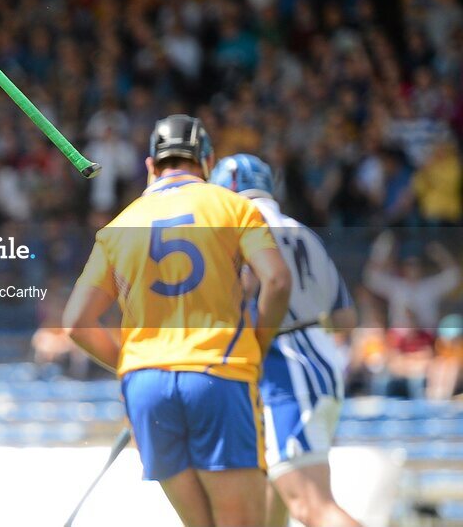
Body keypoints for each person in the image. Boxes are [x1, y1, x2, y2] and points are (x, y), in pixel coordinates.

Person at [63, 115, 291, 526]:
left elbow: (76, 323)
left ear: (151, 166)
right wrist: (257, 344)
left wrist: (133, 368)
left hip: (147, 387)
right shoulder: (233, 205)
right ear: (207, 161)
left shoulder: (117, 227)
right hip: (218, 374)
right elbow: (276, 280)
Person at [210, 154, 361, 527]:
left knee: (311, 506)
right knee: (267, 511)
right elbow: (345, 320)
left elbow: (240, 294)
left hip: (284, 369)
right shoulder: (305, 232)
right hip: (318, 362)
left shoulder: (238, 229)